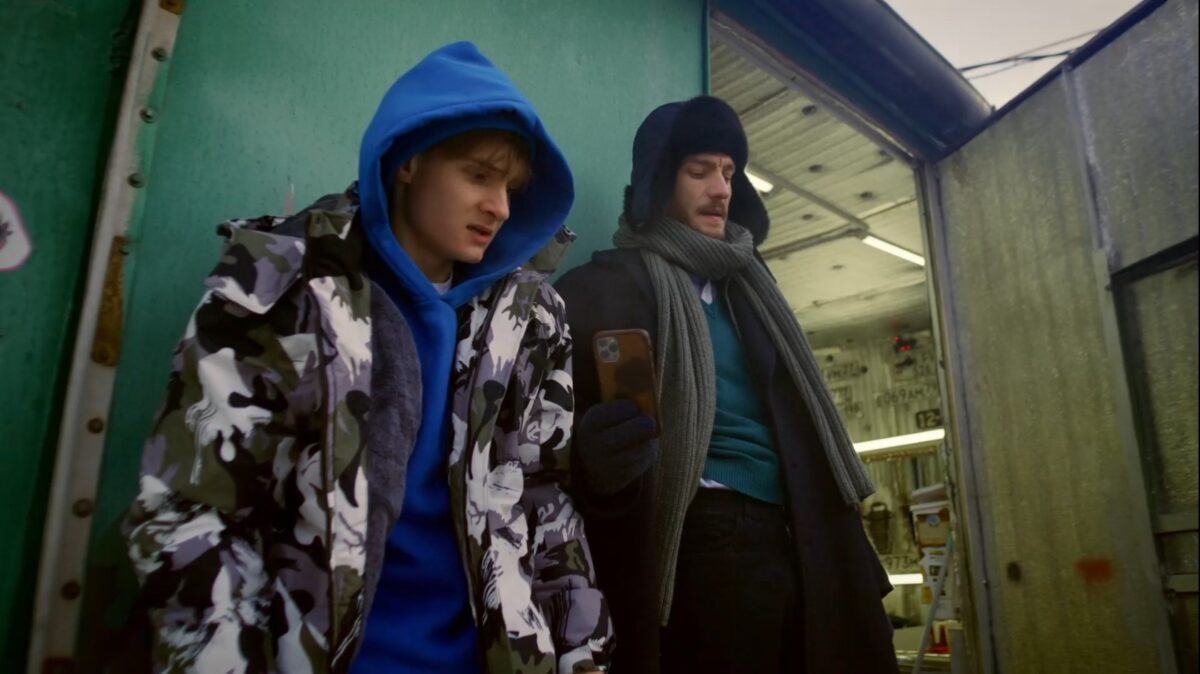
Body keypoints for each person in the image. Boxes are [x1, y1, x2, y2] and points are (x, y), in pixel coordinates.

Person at [123, 42, 611, 673]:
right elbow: (193, 507)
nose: (501, 207)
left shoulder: (531, 318)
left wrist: (582, 657)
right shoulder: (284, 286)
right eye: (479, 175)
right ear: (409, 160)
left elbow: (543, 500)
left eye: (511, 187)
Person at [555, 96, 898, 673]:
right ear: (658, 181)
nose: (721, 189)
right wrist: (596, 462)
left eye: (730, 173)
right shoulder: (600, 290)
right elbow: (548, 444)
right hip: (704, 542)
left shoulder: (754, 291)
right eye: (700, 171)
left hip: (799, 534)